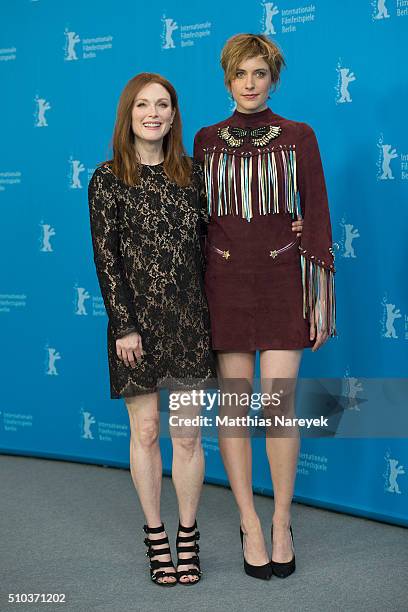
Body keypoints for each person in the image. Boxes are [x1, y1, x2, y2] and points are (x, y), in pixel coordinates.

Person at [193, 34, 336, 580]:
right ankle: (248, 522)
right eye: (240, 75)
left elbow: (317, 211)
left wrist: (320, 302)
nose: (249, 84)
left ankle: (281, 521)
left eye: (259, 73)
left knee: (278, 406)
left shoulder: (300, 135)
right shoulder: (206, 140)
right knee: (233, 406)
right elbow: (196, 219)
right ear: (226, 80)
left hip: (282, 279)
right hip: (224, 281)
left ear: (273, 78)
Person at [88, 73, 218, 586]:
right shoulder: (106, 178)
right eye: (143, 104)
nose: (153, 113)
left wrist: (293, 228)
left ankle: (189, 535)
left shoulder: (194, 174)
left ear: (172, 114)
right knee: (145, 431)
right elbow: (107, 258)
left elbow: (223, 242)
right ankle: (155, 535)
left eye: (163, 104)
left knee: (186, 436)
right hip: (133, 330)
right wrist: (124, 325)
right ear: (129, 113)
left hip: (189, 324)